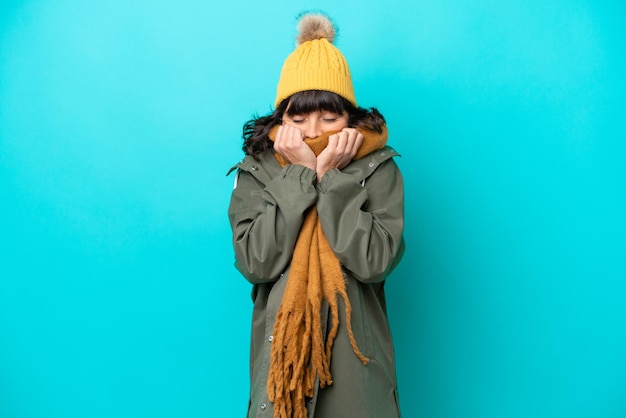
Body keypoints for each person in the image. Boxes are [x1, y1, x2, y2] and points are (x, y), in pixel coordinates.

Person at [228, 12, 405, 418]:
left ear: (350, 117)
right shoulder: (257, 170)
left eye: (329, 116)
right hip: (282, 373)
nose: (312, 130)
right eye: (299, 116)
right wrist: (300, 174)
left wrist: (330, 179)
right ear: (280, 118)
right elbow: (256, 261)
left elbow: (375, 261)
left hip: (357, 372)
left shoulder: (377, 167)